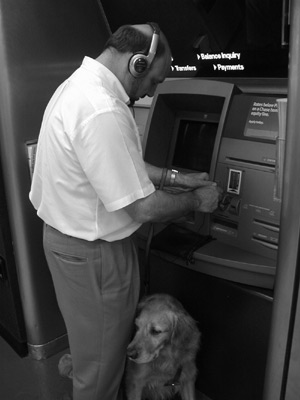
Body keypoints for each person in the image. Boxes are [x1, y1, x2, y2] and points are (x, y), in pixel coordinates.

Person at [29, 23, 222, 400]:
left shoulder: (78, 87)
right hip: (95, 256)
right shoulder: (101, 108)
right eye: (154, 79)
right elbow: (144, 206)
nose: (152, 90)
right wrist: (199, 201)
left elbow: (117, 164)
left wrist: (175, 178)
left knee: (98, 355)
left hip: (71, 245)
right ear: (137, 64)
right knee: (100, 369)